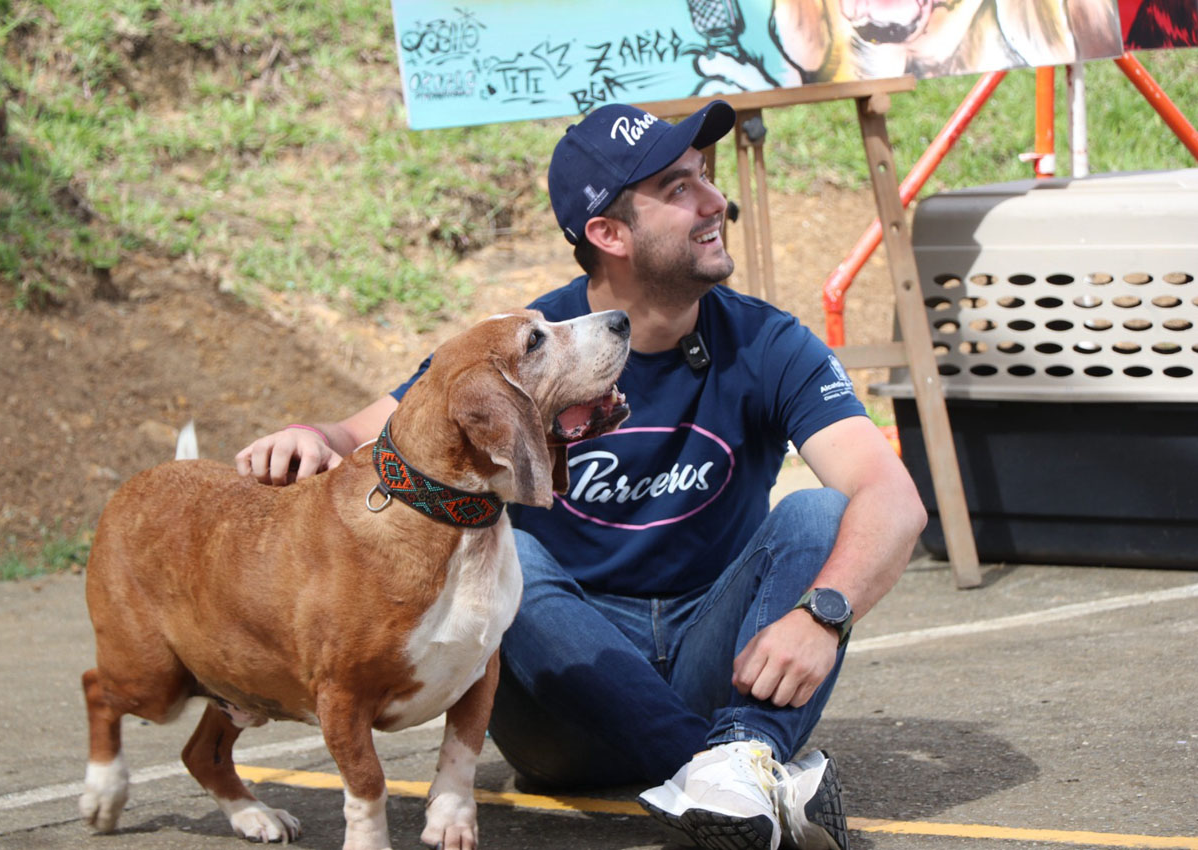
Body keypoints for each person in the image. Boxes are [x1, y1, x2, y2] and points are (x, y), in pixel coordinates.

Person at [235, 99, 926, 850]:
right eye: (679, 188)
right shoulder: (526, 344)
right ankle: (731, 768)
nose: (714, 201)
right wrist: (311, 436)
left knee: (818, 515)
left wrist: (824, 613)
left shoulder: (767, 339)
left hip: (710, 650)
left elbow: (891, 498)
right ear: (608, 234)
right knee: (509, 554)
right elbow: (370, 429)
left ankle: (739, 761)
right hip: (559, 695)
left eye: (704, 177)